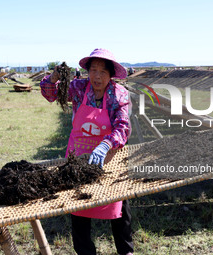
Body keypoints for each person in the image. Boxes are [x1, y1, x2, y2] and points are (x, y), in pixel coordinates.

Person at [40, 48, 133, 255]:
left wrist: (106, 144)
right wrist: (55, 76)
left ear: (111, 74)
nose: (97, 76)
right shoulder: (79, 88)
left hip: (108, 156)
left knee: (118, 208)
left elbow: (123, 126)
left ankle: (126, 252)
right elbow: (51, 94)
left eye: (102, 71)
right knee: (79, 207)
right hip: (79, 156)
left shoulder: (119, 94)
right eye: (93, 70)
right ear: (87, 72)